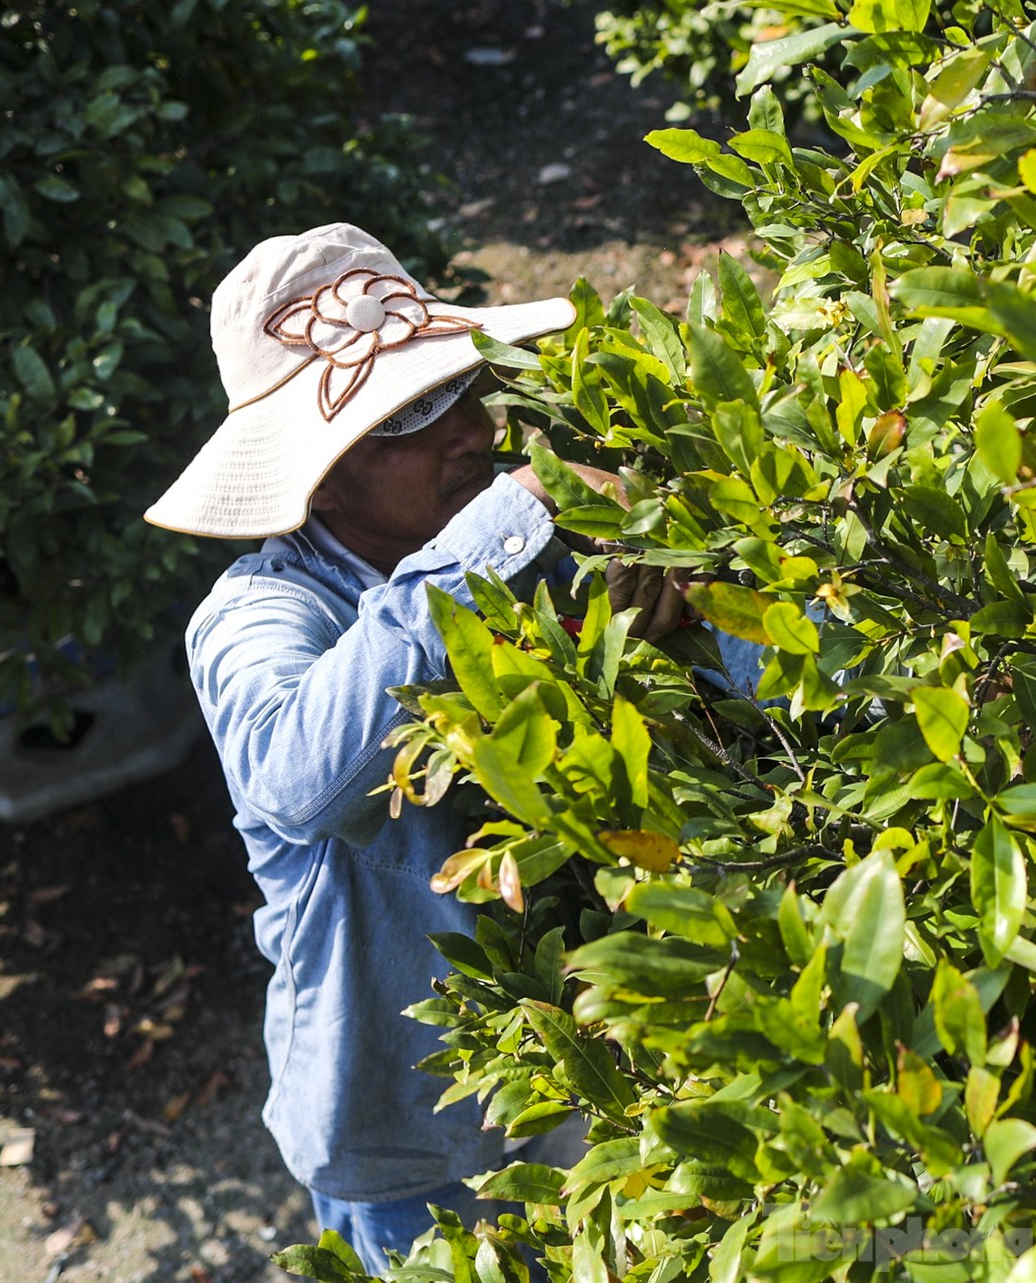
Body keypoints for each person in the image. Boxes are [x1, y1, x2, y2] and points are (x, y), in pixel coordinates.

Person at [144, 223, 688, 1268]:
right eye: (407, 414)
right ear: (323, 474)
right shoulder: (260, 618)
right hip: (405, 1132)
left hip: (579, 1062)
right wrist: (498, 534)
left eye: (461, 389)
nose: (471, 432)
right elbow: (301, 777)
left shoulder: (529, 544)